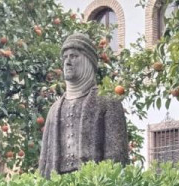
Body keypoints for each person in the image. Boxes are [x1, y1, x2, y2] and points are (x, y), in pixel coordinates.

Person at [37, 33, 129, 177]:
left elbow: (117, 157)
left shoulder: (108, 101)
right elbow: (44, 161)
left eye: (73, 56)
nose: (67, 62)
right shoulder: (54, 109)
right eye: (65, 58)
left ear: (88, 60)